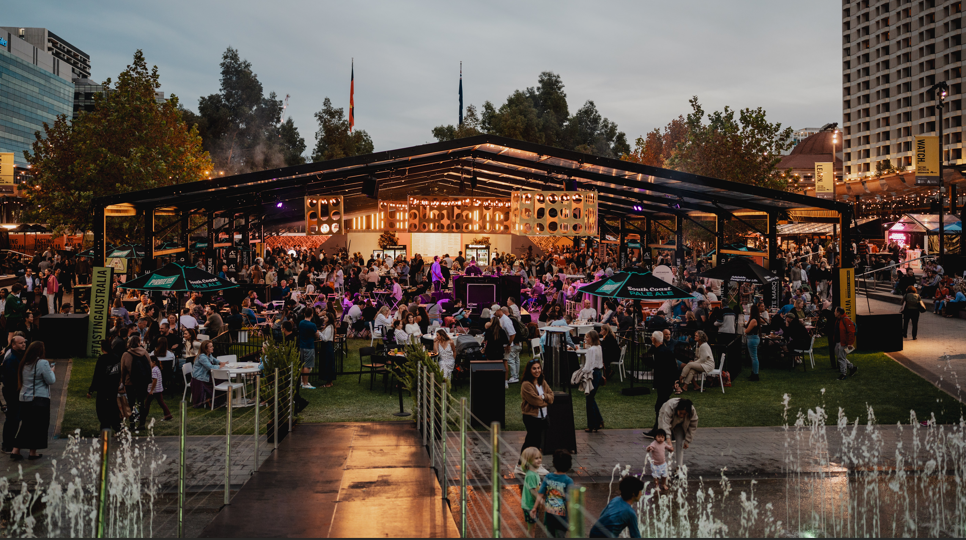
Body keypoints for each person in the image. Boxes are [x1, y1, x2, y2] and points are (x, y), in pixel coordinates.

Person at [11, 341, 54, 461]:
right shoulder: (42, 363)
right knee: (38, 427)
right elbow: (51, 380)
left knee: (26, 425)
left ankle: (16, 449)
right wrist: (52, 371)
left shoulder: (24, 363)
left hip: (25, 398)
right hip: (39, 399)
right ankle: (32, 452)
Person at [531, 450, 574, 538]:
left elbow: (540, 493)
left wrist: (534, 507)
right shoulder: (568, 481)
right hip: (562, 520)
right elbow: (569, 502)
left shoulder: (548, 477)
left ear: (554, 464)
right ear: (569, 465)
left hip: (549, 517)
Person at [644, 331, 676, 438]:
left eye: (652, 337)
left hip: (664, 383)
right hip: (666, 382)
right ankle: (657, 429)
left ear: (654, 339)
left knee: (661, 407)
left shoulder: (660, 352)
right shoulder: (664, 350)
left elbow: (660, 368)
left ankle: (668, 432)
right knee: (661, 407)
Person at [87, 338, 121, 432]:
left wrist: (91, 390)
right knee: (113, 406)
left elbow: (97, 376)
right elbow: (119, 372)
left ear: (102, 348)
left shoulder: (102, 359)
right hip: (113, 387)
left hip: (103, 388)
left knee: (102, 409)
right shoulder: (116, 357)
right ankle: (116, 426)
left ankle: (105, 428)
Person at [520, 360, 553, 452]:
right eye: (534, 368)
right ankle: (522, 460)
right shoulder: (526, 384)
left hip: (542, 417)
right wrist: (547, 402)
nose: (537, 370)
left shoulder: (542, 382)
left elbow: (551, 396)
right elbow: (536, 402)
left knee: (537, 442)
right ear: (529, 370)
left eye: (538, 368)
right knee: (530, 441)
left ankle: (534, 460)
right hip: (531, 417)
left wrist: (543, 396)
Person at [657, 398, 698, 472]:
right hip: (665, 417)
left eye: (684, 414)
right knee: (662, 442)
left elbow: (693, 426)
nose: (682, 415)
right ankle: (661, 466)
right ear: (677, 409)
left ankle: (679, 468)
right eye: (680, 413)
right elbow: (665, 425)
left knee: (680, 443)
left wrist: (687, 440)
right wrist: (668, 441)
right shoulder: (669, 407)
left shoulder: (692, 410)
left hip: (681, 424)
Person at [2, 335, 26, 451]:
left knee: (15, 418)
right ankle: (7, 444)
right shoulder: (11, 359)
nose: (23, 344)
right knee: (12, 419)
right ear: (13, 344)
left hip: (16, 392)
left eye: (24, 342)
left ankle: (10, 442)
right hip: (12, 392)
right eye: (21, 343)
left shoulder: (18, 356)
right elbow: (10, 379)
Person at [140, 355, 173, 429]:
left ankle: (143, 416)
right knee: (160, 402)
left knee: (147, 403)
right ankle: (168, 415)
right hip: (158, 389)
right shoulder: (157, 369)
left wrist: (151, 390)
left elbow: (154, 380)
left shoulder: (154, 370)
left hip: (154, 390)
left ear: (154, 362)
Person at [190, 340, 226, 408]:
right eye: (210, 347)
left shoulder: (209, 355)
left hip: (206, 375)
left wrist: (220, 362)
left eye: (212, 346)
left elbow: (214, 359)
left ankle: (219, 400)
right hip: (200, 377)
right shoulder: (202, 357)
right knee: (219, 381)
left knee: (222, 379)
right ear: (206, 349)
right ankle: (213, 400)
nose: (213, 347)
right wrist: (219, 366)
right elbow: (210, 367)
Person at [581, 330, 605, 432]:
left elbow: (588, 365)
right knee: (591, 398)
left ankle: (592, 424)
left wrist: (582, 374)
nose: (585, 339)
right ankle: (598, 421)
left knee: (589, 399)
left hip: (592, 374)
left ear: (592, 338)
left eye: (587, 337)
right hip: (598, 373)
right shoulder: (599, 347)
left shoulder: (591, 350)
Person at [518, 446, 544, 537]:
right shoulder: (531, 475)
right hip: (530, 506)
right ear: (528, 460)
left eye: (540, 457)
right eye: (536, 458)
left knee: (533, 527)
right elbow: (533, 491)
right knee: (531, 529)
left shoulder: (533, 473)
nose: (539, 460)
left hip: (531, 505)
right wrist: (540, 501)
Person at [646, 428, 674, 494]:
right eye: (659, 437)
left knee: (664, 475)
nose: (661, 439)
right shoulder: (654, 444)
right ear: (655, 437)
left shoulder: (663, 443)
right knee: (656, 476)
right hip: (655, 464)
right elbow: (649, 448)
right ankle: (657, 486)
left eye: (662, 437)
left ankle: (663, 484)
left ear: (664, 438)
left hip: (663, 464)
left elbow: (667, 447)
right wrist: (648, 449)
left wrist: (670, 448)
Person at [832, 307, 857, 381]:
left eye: (835, 311)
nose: (834, 313)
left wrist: (850, 343)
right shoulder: (839, 320)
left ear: (839, 313)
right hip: (839, 342)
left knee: (841, 358)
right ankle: (852, 368)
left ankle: (843, 374)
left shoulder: (845, 320)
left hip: (843, 343)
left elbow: (851, 332)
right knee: (841, 357)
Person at [298, 309, 319, 390]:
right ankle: (305, 383)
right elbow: (317, 335)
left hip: (302, 346)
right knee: (308, 366)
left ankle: (302, 381)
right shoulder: (312, 325)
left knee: (303, 365)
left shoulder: (301, 323)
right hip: (309, 346)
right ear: (312, 315)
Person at [744, 303, 763, 382]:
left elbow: (747, 330)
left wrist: (745, 330)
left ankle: (755, 374)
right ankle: (754, 372)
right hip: (754, 338)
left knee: (754, 357)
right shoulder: (755, 319)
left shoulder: (754, 320)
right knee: (753, 357)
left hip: (752, 338)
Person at [318, 312, 336, 388]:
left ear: (329, 319)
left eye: (325, 317)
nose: (324, 318)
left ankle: (329, 382)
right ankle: (329, 381)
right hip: (326, 346)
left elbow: (325, 338)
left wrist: (319, 333)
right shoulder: (328, 326)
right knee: (327, 362)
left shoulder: (329, 327)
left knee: (328, 363)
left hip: (327, 346)